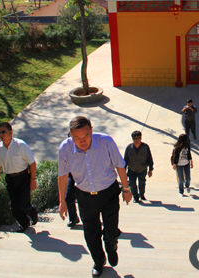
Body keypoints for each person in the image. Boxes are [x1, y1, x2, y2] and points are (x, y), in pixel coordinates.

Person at [58, 116, 132, 277]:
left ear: (91, 130)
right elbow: (62, 175)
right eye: (77, 138)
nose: (82, 141)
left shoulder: (105, 141)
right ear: (70, 135)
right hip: (85, 196)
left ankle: (111, 246)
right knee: (91, 233)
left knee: (111, 231)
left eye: (85, 136)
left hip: (109, 193)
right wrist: (61, 201)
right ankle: (99, 262)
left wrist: (126, 189)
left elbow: (120, 165)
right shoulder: (65, 148)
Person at [0, 122, 38, 233]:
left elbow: (32, 163)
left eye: (3, 132)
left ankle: (32, 211)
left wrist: (33, 179)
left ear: (10, 133)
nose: (1, 135)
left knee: (24, 205)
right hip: (10, 179)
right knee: (14, 208)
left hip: (23, 178)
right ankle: (24, 223)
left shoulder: (21, 145)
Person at [124, 130, 154, 203]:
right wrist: (123, 171)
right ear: (132, 139)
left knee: (142, 183)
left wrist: (150, 169)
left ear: (141, 138)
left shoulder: (145, 147)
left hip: (142, 169)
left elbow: (149, 158)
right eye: (135, 138)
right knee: (132, 184)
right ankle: (136, 197)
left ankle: (142, 194)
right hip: (132, 169)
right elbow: (125, 160)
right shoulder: (129, 148)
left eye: (139, 138)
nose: (137, 140)